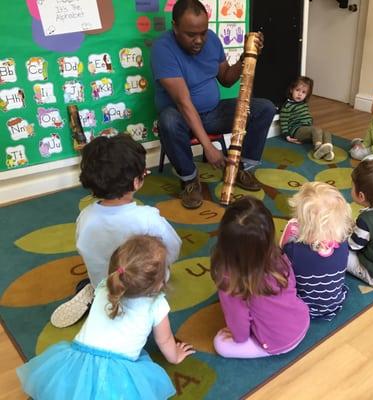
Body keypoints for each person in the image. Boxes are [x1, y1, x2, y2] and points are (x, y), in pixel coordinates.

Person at [18, 235, 195, 400]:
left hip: (76, 364)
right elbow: (164, 340)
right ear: (159, 284)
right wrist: (175, 357)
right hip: (117, 374)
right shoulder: (157, 305)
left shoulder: (104, 287)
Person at [151, 0, 277, 209]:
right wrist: (207, 147)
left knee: (265, 108)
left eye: (203, 32)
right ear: (175, 27)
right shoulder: (162, 49)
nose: (199, 40)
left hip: (213, 113)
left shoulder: (213, 42)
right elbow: (183, 103)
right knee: (168, 120)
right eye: (191, 34)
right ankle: (190, 181)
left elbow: (226, 78)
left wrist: (246, 56)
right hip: (182, 118)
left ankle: (240, 168)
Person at [50, 134, 182, 328]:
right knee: (162, 268)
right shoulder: (148, 218)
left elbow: (83, 249)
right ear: (137, 181)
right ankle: (126, 302)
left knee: (105, 273)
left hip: (104, 283)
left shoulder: (85, 217)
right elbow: (174, 248)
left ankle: (97, 293)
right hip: (141, 289)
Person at [211, 197, 310, 358]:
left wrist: (237, 336)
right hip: (302, 320)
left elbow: (240, 329)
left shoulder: (230, 280)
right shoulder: (278, 256)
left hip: (276, 342)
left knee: (220, 344)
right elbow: (291, 285)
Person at [280, 182, 352, 320]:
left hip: (304, 307)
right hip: (335, 303)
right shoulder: (343, 245)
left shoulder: (294, 250)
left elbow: (284, 273)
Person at [280, 76, 335, 161]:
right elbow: (283, 122)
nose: (300, 94)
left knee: (326, 132)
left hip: (306, 129)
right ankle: (318, 149)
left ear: (307, 94)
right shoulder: (288, 106)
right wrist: (287, 136)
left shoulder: (303, 104)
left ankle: (327, 150)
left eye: (303, 92)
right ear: (291, 90)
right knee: (316, 130)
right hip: (296, 130)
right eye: (297, 90)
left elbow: (306, 117)